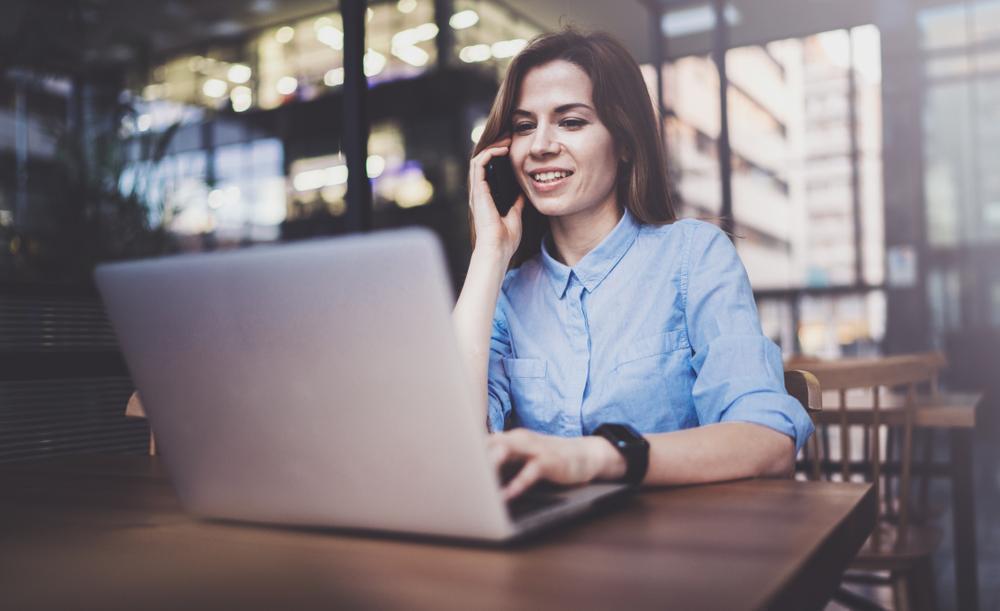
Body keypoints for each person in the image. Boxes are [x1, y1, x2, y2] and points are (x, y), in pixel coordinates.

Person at [452, 29, 814, 501]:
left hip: (681, 550)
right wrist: (489, 255)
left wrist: (598, 457)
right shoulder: (505, 292)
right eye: (523, 126)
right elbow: (452, 444)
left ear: (623, 142)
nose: (539, 145)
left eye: (571, 122)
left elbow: (768, 444)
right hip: (553, 554)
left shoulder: (693, 257)